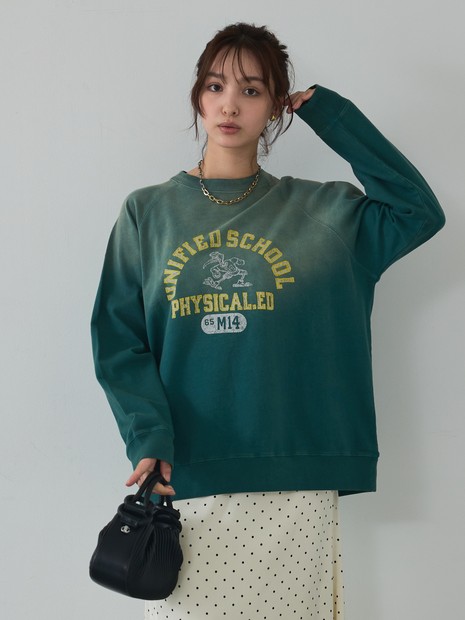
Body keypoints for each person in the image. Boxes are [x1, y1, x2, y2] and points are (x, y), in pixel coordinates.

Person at [91, 22, 445, 619]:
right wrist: (146, 435)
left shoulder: (325, 214)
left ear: (276, 106)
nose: (230, 104)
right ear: (198, 97)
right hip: (186, 477)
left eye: (252, 90)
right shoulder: (148, 213)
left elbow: (417, 212)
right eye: (215, 86)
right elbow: (118, 339)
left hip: (295, 475)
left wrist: (331, 116)